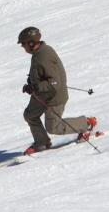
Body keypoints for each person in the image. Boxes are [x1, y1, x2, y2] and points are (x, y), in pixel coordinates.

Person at [18, 26, 97, 155]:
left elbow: (54, 83)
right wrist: (31, 83)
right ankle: (42, 142)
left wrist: (36, 87)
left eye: (23, 43)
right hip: (42, 94)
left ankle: (87, 123)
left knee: (53, 127)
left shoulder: (45, 57)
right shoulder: (38, 54)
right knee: (30, 115)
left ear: (32, 43)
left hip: (55, 97)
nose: (22, 46)